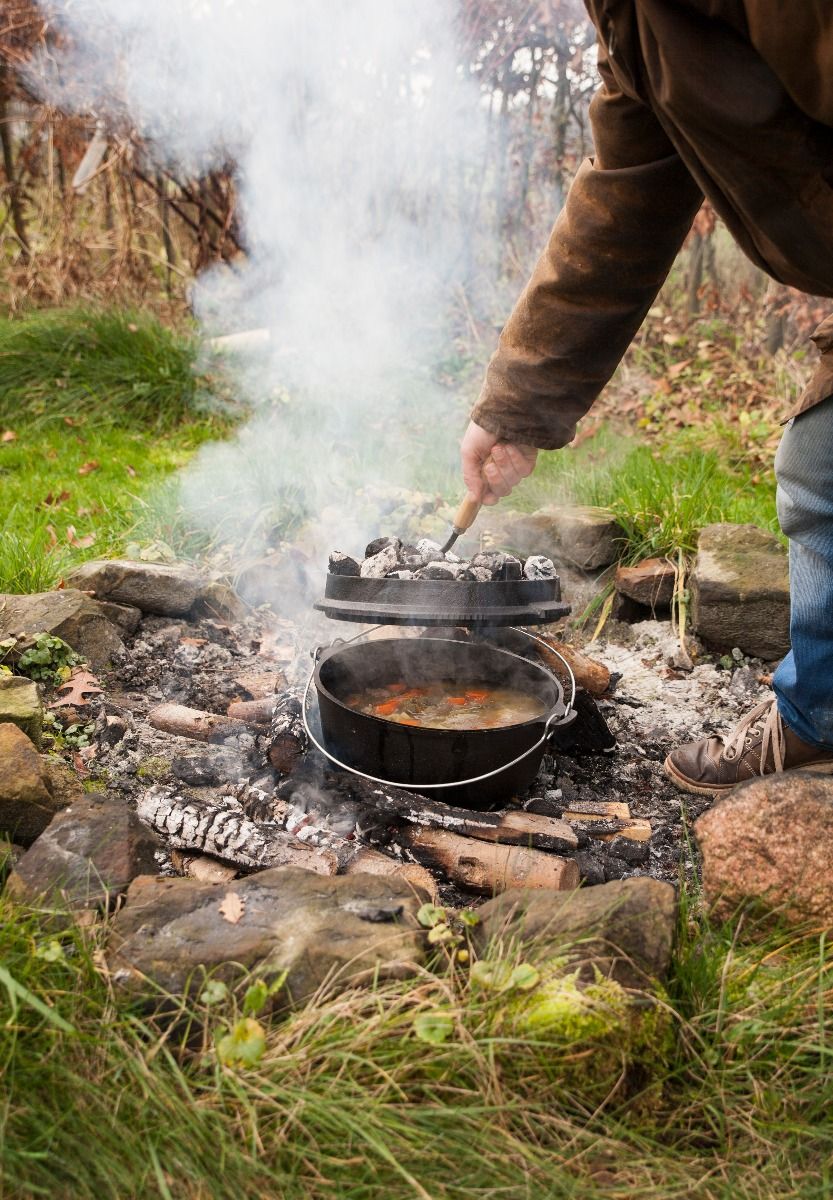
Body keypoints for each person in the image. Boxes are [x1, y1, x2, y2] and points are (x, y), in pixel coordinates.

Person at [459, 1, 833, 797]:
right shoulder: (633, 22)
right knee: (821, 467)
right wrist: (514, 408)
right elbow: (626, 193)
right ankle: (820, 720)